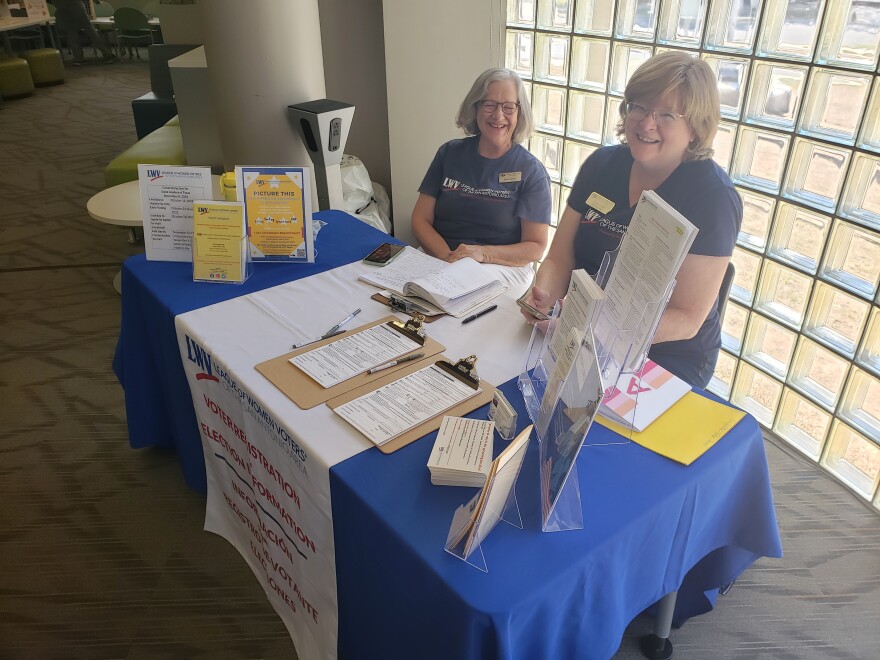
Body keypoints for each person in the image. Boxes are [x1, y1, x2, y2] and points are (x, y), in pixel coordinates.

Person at [520, 51, 742, 388]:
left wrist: (594, 330)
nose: (646, 123)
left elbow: (687, 319)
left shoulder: (713, 197)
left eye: (666, 114)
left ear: (695, 128)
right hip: (579, 334)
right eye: (638, 106)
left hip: (665, 355)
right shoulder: (602, 165)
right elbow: (559, 257)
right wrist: (544, 296)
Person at [412, 68, 551, 272]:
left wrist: (483, 253)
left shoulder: (532, 171)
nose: (498, 115)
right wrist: (448, 259)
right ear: (475, 108)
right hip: (440, 257)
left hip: (499, 265)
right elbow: (420, 219)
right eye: (489, 104)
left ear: (519, 112)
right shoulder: (449, 153)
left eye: (508, 107)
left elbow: (535, 247)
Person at [51, 0, 117, 66]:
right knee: (89, 29)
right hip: (74, 3)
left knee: (71, 31)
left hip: (59, 4)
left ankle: (78, 59)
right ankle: (107, 55)